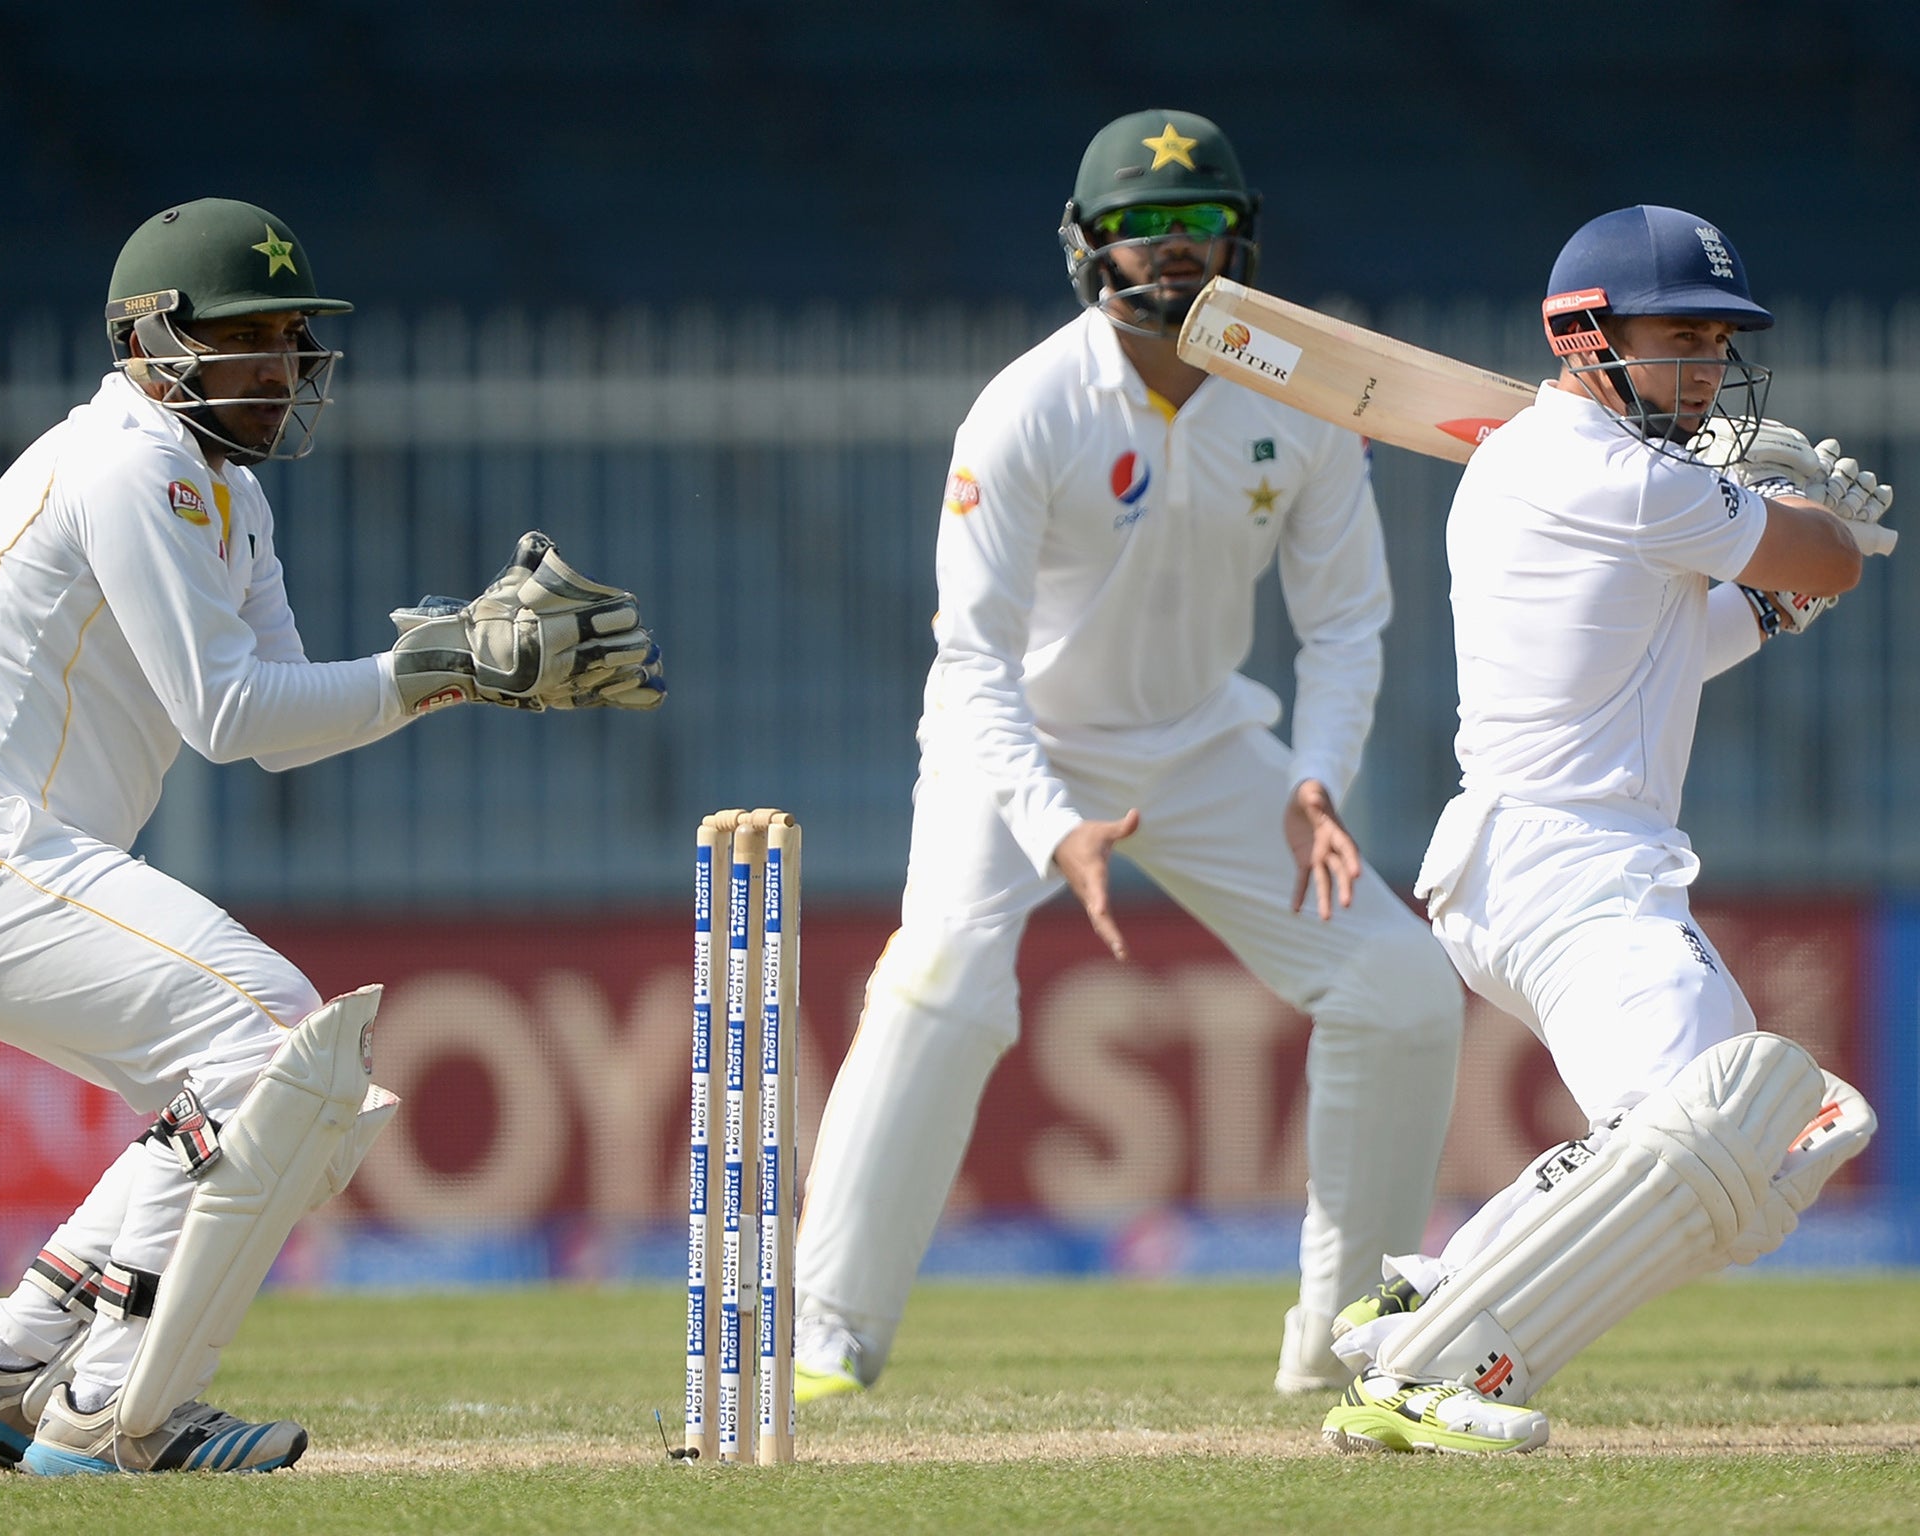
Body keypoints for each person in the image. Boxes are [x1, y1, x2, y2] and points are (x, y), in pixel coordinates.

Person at [0, 197, 663, 1475]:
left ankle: (8, 1362)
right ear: (152, 340)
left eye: (295, 336)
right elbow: (226, 711)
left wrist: (446, 667)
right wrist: (441, 665)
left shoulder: (221, 486)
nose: (285, 367)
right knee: (271, 1038)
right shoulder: (130, 461)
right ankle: (115, 1410)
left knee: (234, 1081)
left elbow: (282, 723)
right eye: (252, 336)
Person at [789, 109, 1466, 1404]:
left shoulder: (1306, 399)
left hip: (1208, 744)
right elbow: (973, 661)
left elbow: (1345, 624)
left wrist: (1317, 776)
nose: (1174, 253)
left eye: (1200, 227)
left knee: (1402, 990)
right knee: (943, 979)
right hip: (1023, 742)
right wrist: (1052, 823)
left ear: (1242, 245)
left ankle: (1344, 1348)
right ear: (1087, 250)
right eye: (1142, 231)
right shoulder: (1026, 410)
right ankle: (829, 1336)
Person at [1319, 205, 1888, 1455]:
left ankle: (1423, 1297)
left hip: (1547, 859)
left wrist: (1781, 581)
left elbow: (1678, 646)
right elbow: (1826, 560)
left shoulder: (1582, 473)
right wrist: (1806, 522)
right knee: (1707, 1132)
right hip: (1567, 864)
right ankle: (1427, 1373)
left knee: (1715, 1164)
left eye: (1714, 340)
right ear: (1585, 337)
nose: (1704, 367)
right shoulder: (1604, 468)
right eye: (1678, 337)